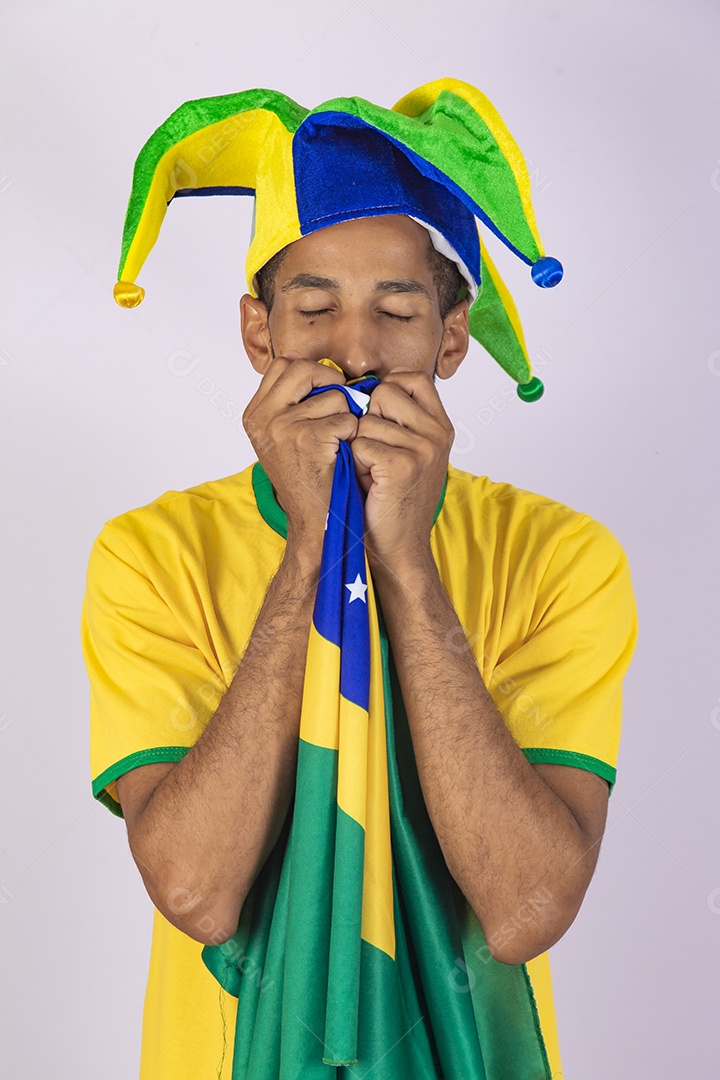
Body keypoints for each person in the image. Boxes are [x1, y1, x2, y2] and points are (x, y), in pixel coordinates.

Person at [81, 80, 638, 1080]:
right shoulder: (149, 553)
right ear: (260, 333)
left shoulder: (563, 556)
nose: (355, 352)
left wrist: (406, 566)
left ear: (450, 338)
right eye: (314, 308)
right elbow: (198, 894)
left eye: (397, 310)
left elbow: (524, 911)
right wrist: (311, 548)